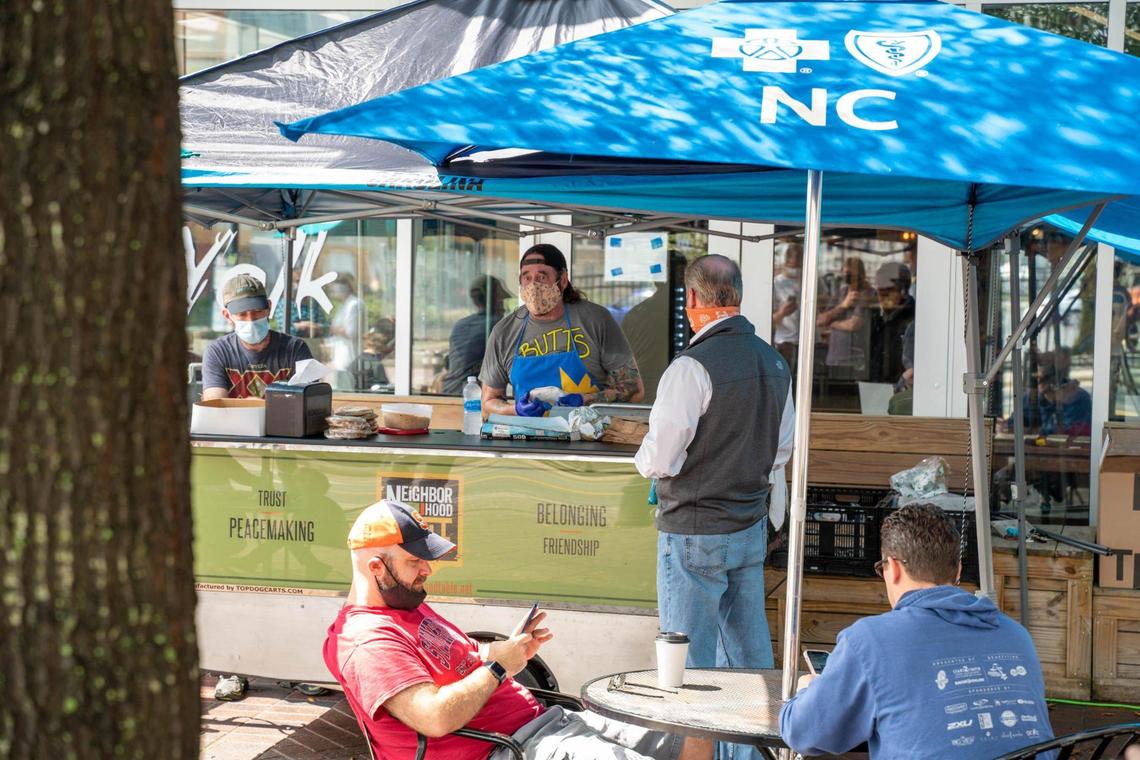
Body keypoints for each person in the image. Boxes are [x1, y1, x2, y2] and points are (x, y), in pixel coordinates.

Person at [324, 499, 712, 760]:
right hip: (507, 748)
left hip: (543, 723)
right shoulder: (368, 640)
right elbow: (434, 717)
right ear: (376, 568)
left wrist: (508, 651)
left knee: (693, 736)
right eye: (415, 561)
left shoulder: (408, 605)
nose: (427, 570)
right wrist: (498, 669)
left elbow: (461, 664)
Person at [634, 254, 793, 759]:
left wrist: (641, 459)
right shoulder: (773, 361)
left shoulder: (690, 367)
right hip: (748, 527)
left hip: (694, 531)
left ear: (695, 301)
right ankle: (755, 755)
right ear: (738, 297)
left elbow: (659, 457)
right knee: (750, 662)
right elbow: (781, 451)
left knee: (687, 664)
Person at [780, 504, 1054, 759]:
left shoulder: (869, 641)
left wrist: (806, 691)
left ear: (894, 568)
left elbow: (803, 732)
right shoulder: (1016, 635)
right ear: (957, 571)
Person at [479, 244, 643, 418]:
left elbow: (634, 390)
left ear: (563, 280)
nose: (533, 286)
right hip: (526, 439)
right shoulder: (504, 332)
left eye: (542, 277)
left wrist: (585, 400)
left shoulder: (596, 320)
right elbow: (488, 403)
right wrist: (516, 410)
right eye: (526, 278)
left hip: (589, 439)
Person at [202, 273, 313, 400]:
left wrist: (255, 406)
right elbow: (214, 405)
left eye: (257, 311)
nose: (251, 320)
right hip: (235, 421)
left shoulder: (295, 349)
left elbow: (310, 401)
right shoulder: (218, 351)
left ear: (269, 308)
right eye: (242, 314)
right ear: (227, 316)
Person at [443, 275, 509, 395]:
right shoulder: (498, 326)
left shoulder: (460, 325)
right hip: (473, 399)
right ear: (494, 299)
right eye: (501, 300)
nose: (504, 306)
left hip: (449, 393)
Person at [817, 256, 873, 373]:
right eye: (847, 273)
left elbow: (853, 325)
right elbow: (820, 321)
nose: (849, 277)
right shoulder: (842, 293)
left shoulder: (867, 292)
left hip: (855, 359)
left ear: (862, 275)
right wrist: (843, 305)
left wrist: (832, 324)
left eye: (853, 274)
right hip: (834, 358)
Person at [868, 261, 916, 385]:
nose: (883, 295)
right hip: (879, 388)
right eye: (880, 289)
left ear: (903, 289)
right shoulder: (877, 319)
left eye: (889, 289)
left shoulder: (914, 321)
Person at [771, 242, 802, 373]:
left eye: (798, 258)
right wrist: (782, 312)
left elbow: (824, 305)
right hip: (784, 340)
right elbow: (769, 319)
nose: (793, 261)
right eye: (790, 258)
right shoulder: (777, 283)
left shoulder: (812, 280)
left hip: (807, 340)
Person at [329, 274, 363, 390]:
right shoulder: (345, 305)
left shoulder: (353, 305)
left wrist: (333, 329)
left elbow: (350, 331)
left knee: (347, 390)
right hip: (342, 358)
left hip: (350, 358)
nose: (334, 293)